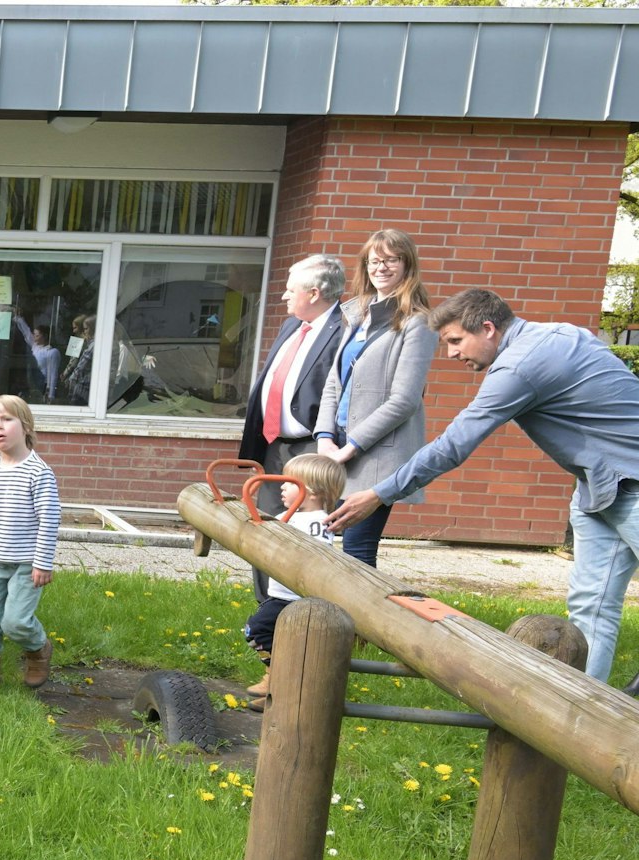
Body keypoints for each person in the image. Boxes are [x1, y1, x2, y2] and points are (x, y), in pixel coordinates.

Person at [331, 289, 639, 683]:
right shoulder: (560, 333)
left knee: (594, 607)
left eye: (456, 341)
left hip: (631, 482)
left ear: (489, 328)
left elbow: (454, 445)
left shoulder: (520, 367)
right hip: (599, 488)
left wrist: (378, 493)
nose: (451, 354)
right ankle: (588, 712)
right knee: (591, 606)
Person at [315, 229, 436, 567]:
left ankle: (356, 620)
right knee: (321, 543)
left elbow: (405, 400)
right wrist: (325, 439)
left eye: (391, 260)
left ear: (407, 264)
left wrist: (349, 448)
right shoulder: (355, 315)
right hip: (335, 448)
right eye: (374, 261)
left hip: (374, 454)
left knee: (356, 551)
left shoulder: (418, 322)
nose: (381, 267)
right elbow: (333, 383)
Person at [239, 253, 346, 599]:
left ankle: (297, 609)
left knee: (301, 532)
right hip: (274, 444)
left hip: (311, 448)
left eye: (290, 290)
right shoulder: (292, 326)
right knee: (265, 524)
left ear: (314, 293)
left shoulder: (345, 329)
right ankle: (265, 607)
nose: (284, 296)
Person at [0, 395, 60, 690]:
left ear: (27, 426)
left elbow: (49, 519)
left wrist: (43, 562)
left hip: (27, 563)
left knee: (16, 622)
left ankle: (38, 649)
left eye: (7, 419)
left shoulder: (39, 472)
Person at [244, 453, 346, 702]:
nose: (282, 486)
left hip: (287, 596)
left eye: (289, 482)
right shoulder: (320, 521)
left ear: (310, 491)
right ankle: (281, 684)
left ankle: (277, 676)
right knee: (285, 639)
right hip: (294, 595)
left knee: (255, 631)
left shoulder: (299, 521)